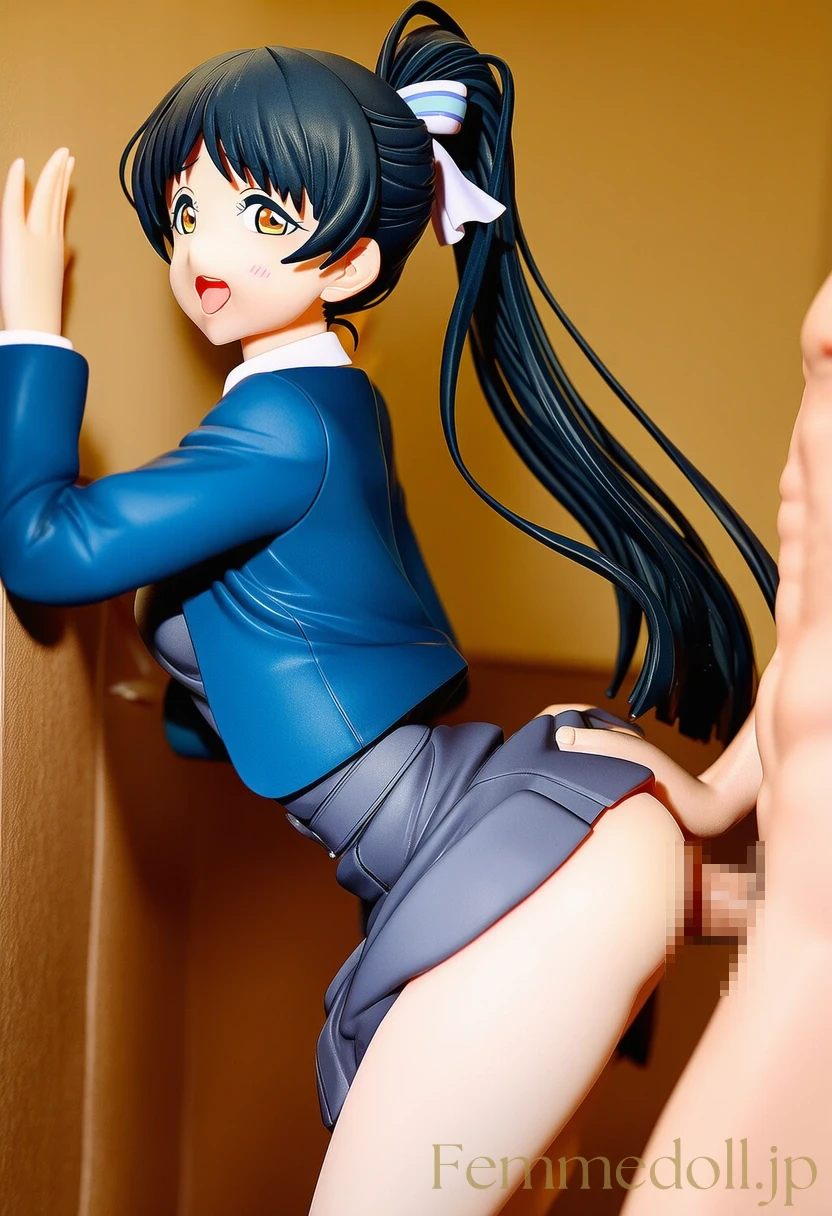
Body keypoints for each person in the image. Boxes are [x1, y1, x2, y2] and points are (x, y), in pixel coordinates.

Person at [0, 5, 774, 1211]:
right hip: (545, 817)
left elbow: (45, 547)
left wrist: (30, 333)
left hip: (510, 859)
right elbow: (303, 631)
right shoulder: (332, 402)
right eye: (189, 213)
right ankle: (748, 899)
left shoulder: (277, 426)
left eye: (263, 219)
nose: (202, 251)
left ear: (352, 263)